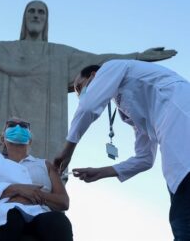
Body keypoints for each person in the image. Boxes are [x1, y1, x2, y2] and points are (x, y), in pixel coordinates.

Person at [0, 0, 177, 162]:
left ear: (46, 20)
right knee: (8, 171)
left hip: (50, 130)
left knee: (48, 176)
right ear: (24, 19)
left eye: (41, 12)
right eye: (32, 12)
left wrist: (139, 56)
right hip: (12, 123)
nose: (36, 16)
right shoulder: (4, 50)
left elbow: (100, 61)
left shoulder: (60, 55)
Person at [54, 59, 190, 240]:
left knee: (183, 219)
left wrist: (67, 151)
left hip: (181, 118)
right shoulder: (129, 107)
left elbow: (88, 107)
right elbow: (145, 158)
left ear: (94, 76)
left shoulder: (113, 67)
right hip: (175, 138)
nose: (80, 94)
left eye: (80, 87)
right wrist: (101, 172)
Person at [0, 118, 73, 241]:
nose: (18, 127)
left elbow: (63, 201)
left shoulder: (45, 165)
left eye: (24, 125)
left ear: (30, 140)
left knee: (58, 222)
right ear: (3, 139)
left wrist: (36, 194)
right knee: (10, 216)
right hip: (2, 215)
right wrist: (18, 189)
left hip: (40, 214)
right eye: (12, 124)